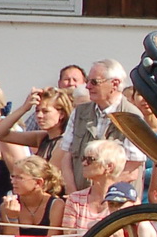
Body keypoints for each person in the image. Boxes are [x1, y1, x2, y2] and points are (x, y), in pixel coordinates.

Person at [55, 59, 145, 194]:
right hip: (79, 200)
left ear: (115, 84)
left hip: (116, 202)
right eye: (87, 81)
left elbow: (133, 168)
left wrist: (97, 194)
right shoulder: (80, 112)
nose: (87, 87)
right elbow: (66, 156)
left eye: (94, 82)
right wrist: (74, 194)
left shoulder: (132, 117)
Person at [0, 87, 73, 161]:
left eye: (45, 111)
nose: (39, 115)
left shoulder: (64, 143)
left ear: (62, 114)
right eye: (37, 111)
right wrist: (24, 108)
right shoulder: (42, 138)